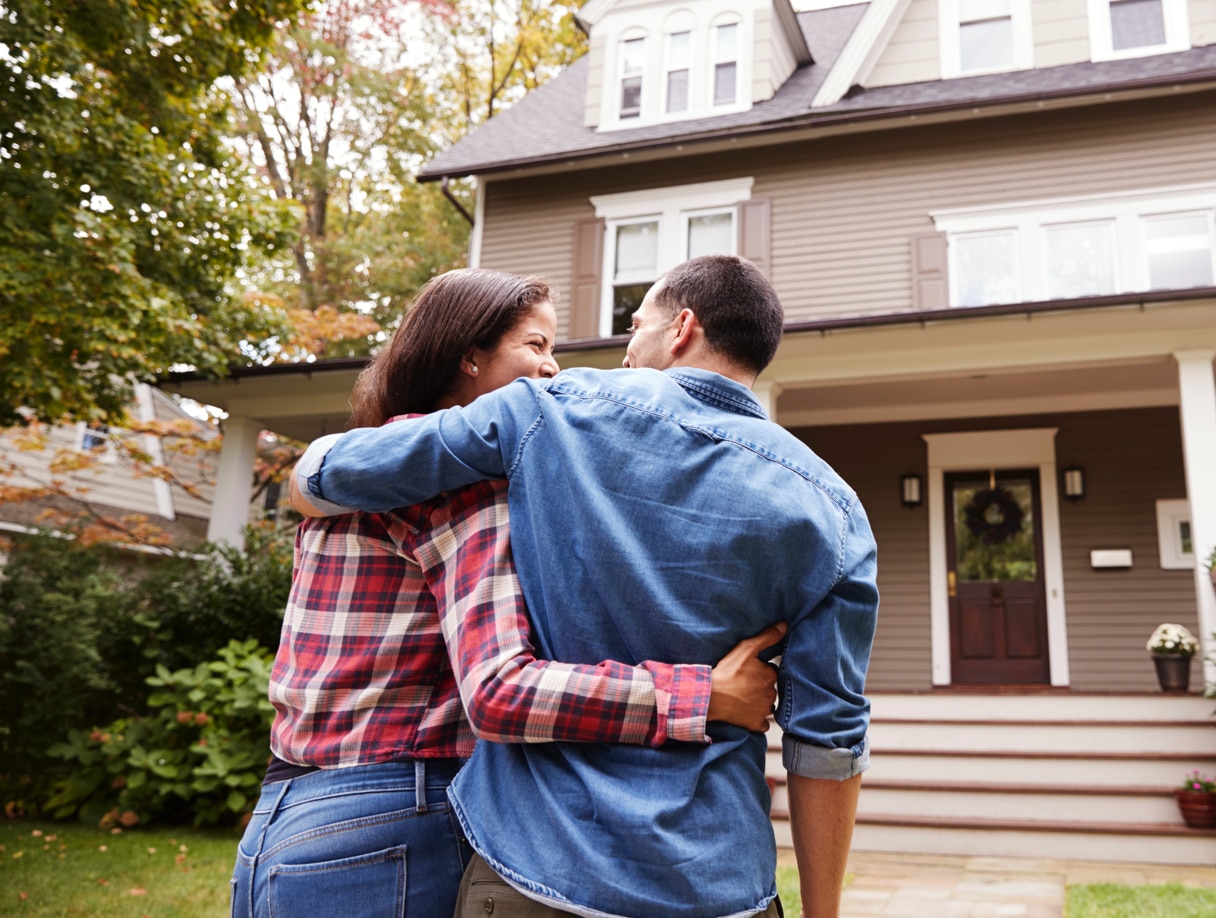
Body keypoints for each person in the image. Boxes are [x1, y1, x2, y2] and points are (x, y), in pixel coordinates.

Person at [292, 255, 879, 918]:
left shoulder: (547, 411)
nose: (625, 354)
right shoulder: (835, 509)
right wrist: (822, 911)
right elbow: (828, 738)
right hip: (716, 880)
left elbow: (333, 471)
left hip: (538, 869)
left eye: (636, 327)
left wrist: (307, 477)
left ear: (680, 328)